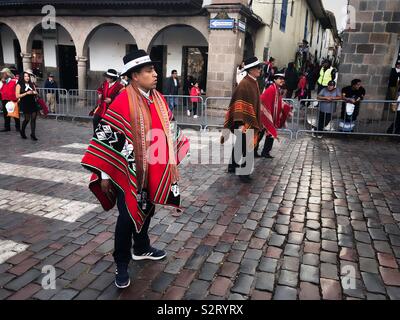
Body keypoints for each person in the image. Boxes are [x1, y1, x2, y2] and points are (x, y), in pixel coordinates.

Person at [81, 49, 189, 289]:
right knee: (127, 216)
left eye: (154, 69)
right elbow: (107, 138)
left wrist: (172, 157)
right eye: (149, 70)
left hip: (151, 168)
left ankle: (141, 248)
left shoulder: (157, 98)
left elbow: (169, 127)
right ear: (134, 76)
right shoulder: (122, 100)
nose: (155, 74)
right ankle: (121, 262)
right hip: (125, 170)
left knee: (147, 209)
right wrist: (106, 174)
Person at [221, 56, 263, 183]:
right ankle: (244, 173)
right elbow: (238, 104)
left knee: (240, 144)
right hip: (244, 122)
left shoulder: (253, 81)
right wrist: (239, 123)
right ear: (251, 70)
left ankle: (232, 166)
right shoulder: (244, 84)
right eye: (257, 68)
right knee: (247, 147)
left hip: (248, 120)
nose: (260, 70)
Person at [256, 73, 292, 158]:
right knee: (261, 134)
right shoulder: (271, 89)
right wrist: (267, 115)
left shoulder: (277, 89)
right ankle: (257, 151)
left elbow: (278, 102)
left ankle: (265, 152)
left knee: (268, 135)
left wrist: (286, 107)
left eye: (283, 79)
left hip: (270, 116)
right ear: (274, 80)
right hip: (265, 116)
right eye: (280, 78)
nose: (282, 80)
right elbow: (263, 101)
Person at [16, 71, 40, 140]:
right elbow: (17, 96)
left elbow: (36, 93)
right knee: (27, 119)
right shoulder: (19, 85)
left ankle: (33, 134)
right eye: (25, 76)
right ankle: (22, 131)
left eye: (28, 76)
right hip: (25, 103)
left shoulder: (31, 84)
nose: (27, 77)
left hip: (32, 103)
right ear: (22, 77)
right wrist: (26, 93)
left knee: (33, 118)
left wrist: (34, 92)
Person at [0, 68, 20, 132]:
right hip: (4, 99)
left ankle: (18, 127)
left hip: (13, 99)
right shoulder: (2, 81)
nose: (3, 75)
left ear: (7, 74)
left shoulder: (14, 81)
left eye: (4, 73)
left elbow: (18, 89)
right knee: (6, 114)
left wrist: (19, 97)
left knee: (15, 114)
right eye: (2, 73)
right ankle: (7, 127)